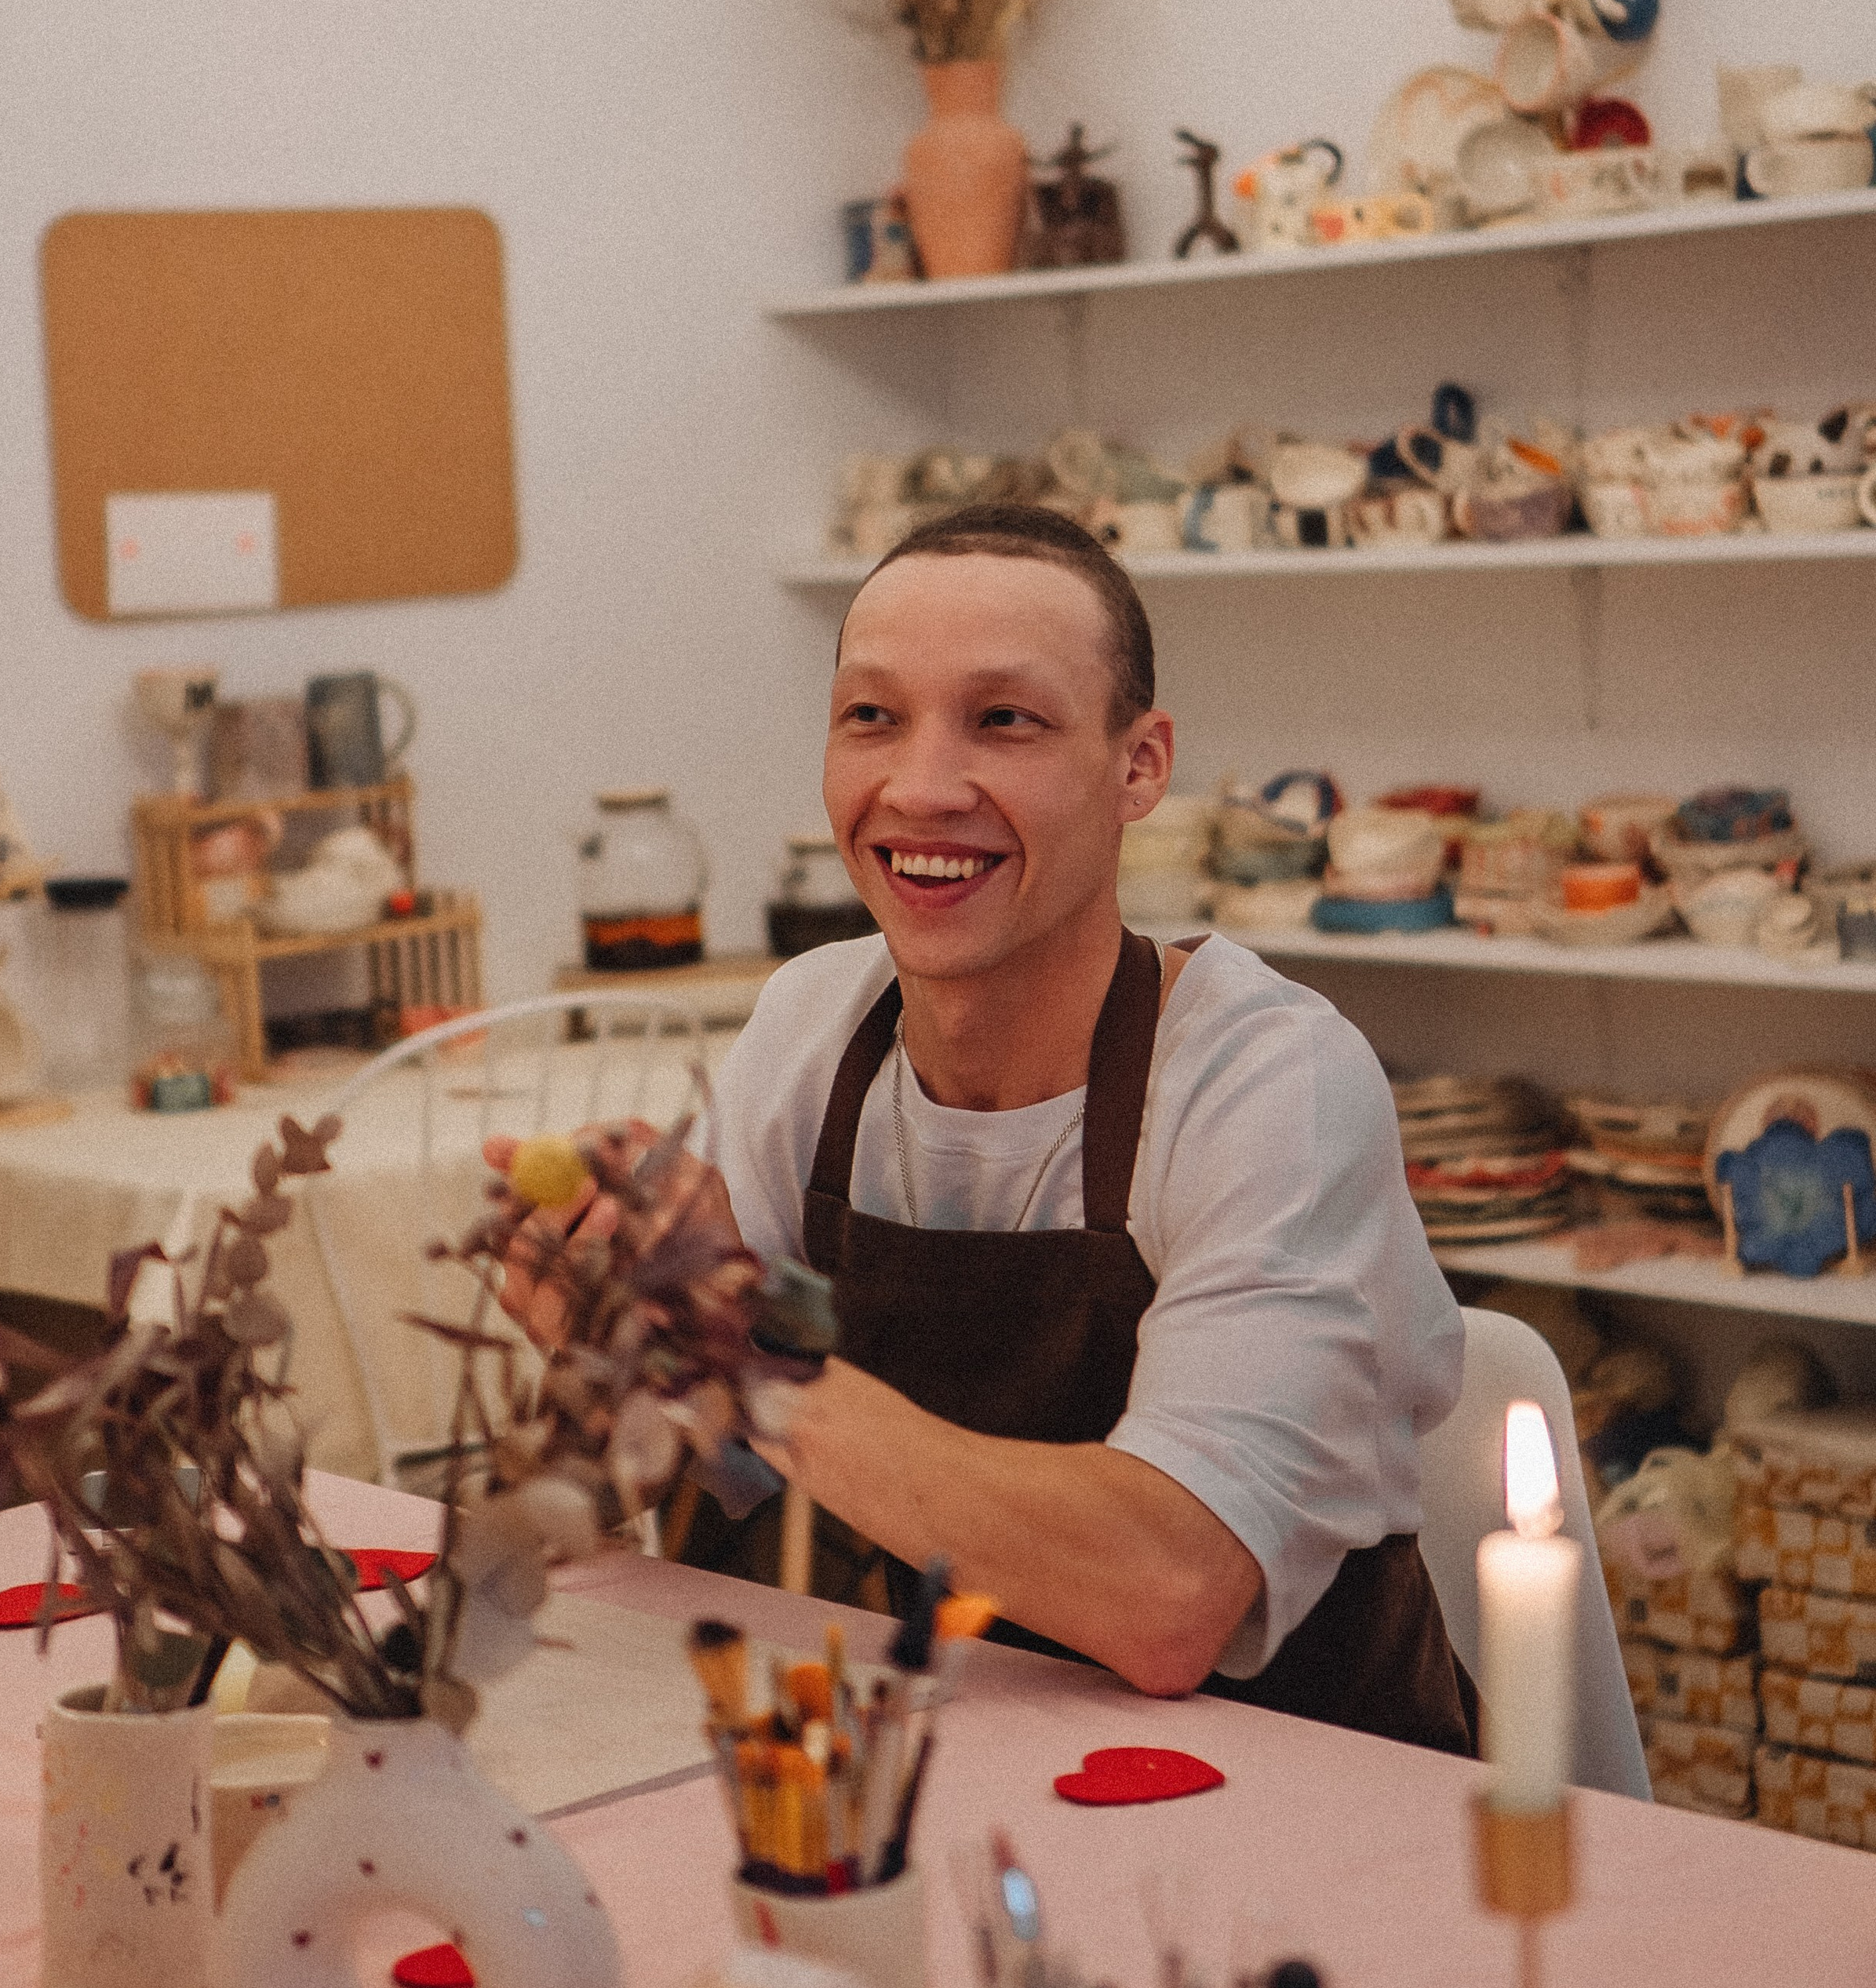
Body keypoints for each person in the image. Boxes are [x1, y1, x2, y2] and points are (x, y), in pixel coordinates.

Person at [504, 502, 1475, 1750]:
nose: (919, 786)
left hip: (1301, 1812)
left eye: (1004, 721)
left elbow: (1172, 1591)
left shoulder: (1265, 1080)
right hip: (922, 1773)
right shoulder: (812, 1028)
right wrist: (619, 1354)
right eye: (872, 718)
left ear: (1141, 766)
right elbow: (711, 1492)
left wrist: (753, 1361)